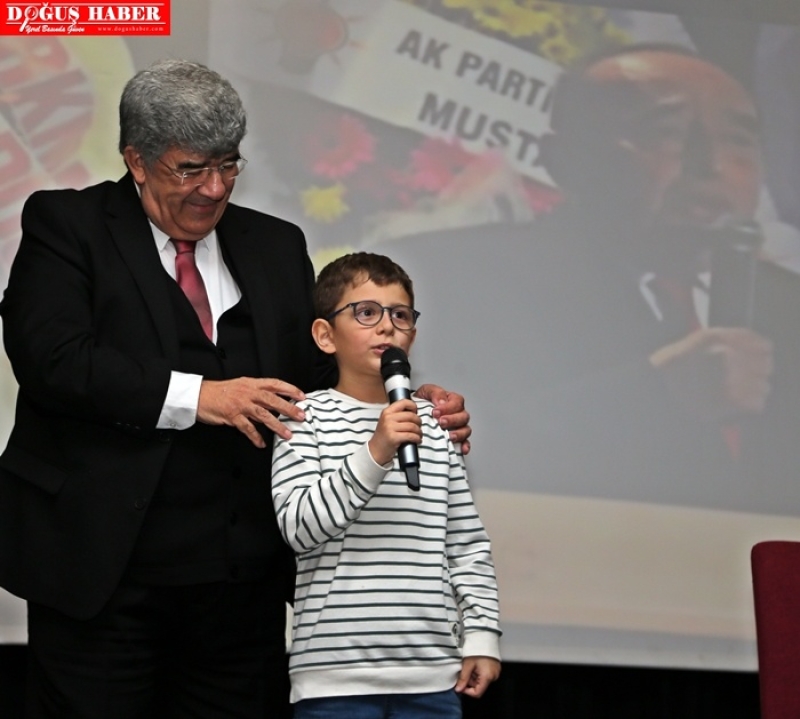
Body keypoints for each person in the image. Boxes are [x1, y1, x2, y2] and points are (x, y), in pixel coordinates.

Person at [0, 59, 471, 719]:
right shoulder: (68, 225)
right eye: (190, 169)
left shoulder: (275, 244)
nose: (214, 189)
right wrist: (202, 397)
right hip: (102, 573)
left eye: (228, 165)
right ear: (137, 160)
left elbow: (317, 381)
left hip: (240, 588)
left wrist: (405, 402)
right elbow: (54, 359)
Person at [378, 43, 800, 514]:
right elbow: (415, 456)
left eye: (738, 140)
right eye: (667, 133)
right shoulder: (435, 279)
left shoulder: (788, 303)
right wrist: (654, 393)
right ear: (563, 159)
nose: (713, 166)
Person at [271, 252, 501, 718]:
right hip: (333, 675)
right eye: (366, 313)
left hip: (432, 674)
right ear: (325, 335)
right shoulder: (302, 418)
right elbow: (298, 528)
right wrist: (375, 451)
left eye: (400, 315)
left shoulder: (435, 424)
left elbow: (465, 544)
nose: (386, 328)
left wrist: (482, 636)